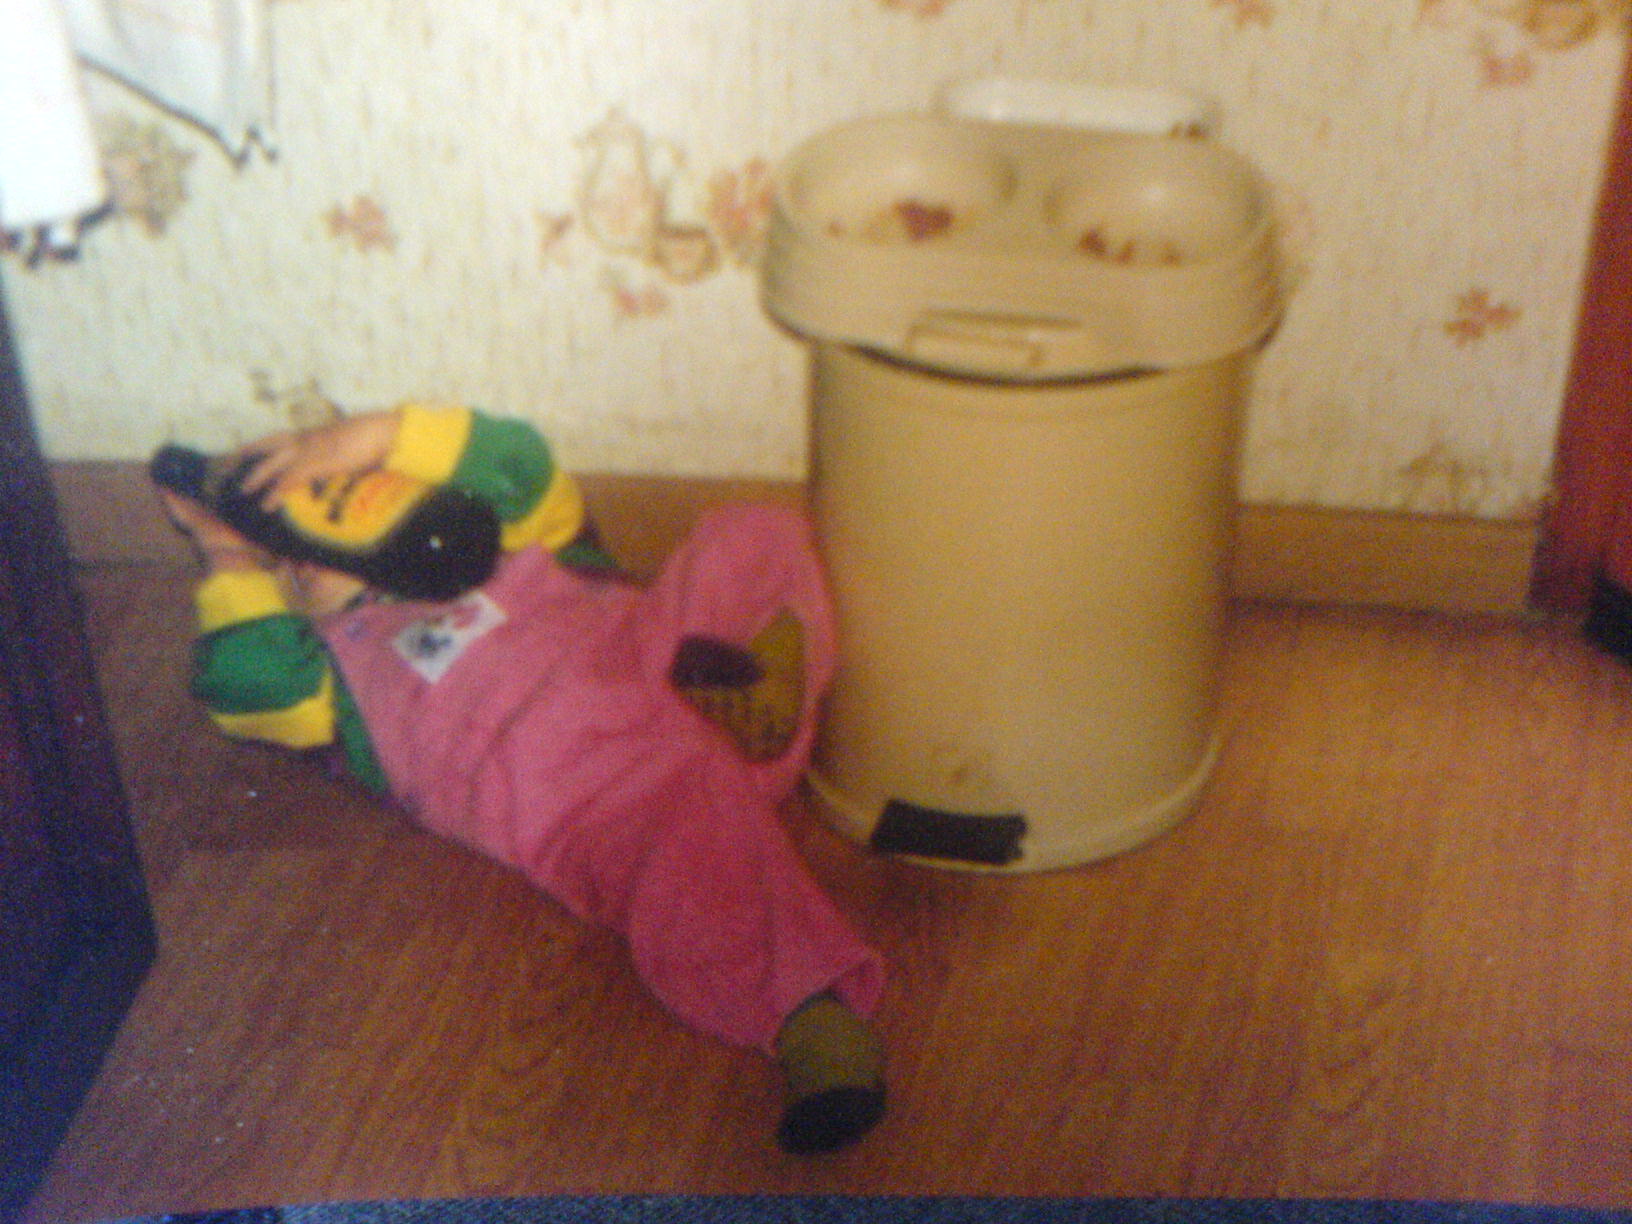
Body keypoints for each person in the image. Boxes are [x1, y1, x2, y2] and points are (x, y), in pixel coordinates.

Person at [158, 401, 887, 1154]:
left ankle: (763, 680)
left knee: (752, 533)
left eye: (326, 493)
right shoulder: (341, 677)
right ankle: (812, 1021)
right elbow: (250, 680)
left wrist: (369, 437)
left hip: (677, 667)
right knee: (691, 863)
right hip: (601, 796)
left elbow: (521, 466)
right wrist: (227, 554)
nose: (310, 548)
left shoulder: (505, 545)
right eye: (287, 560)